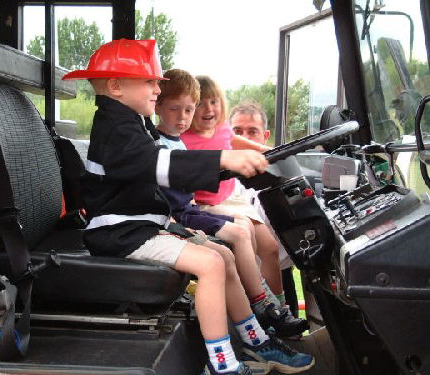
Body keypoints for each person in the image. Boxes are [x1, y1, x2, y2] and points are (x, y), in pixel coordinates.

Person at [62, 40, 314, 375]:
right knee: (210, 264)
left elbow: (158, 169)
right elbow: (158, 164)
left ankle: (255, 341)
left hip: (140, 226)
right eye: (150, 81)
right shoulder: (116, 129)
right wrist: (223, 158)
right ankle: (223, 365)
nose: (157, 88)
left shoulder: (130, 122)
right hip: (120, 233)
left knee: (223, 256)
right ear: (115, 85)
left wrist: (222, 169)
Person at [155, 69, 308, 337]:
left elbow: (238, 144)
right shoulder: (162, 146)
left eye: (188, 109)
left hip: (198, 206)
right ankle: (262, 305)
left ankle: (270, 306)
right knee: (237, 237)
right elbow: (175, 192)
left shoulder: (178, 141)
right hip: (186, 213)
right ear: (157, 106)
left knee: (251, 235)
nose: (183, 116)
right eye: (176, 109)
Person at [180, 76, 285, 306]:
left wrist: (273, 152)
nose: (208, 109)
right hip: (205, 202)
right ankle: (259, 301)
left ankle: (279, 302)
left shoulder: (222, 130)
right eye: (200, 104)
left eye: (214, 102)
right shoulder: (184, 140)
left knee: (270, 247)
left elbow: (237, 142)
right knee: (246, 238)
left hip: (231, 197)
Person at [229, 101, 299, 319]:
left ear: (265, 136)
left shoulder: (280, 175)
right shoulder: (221, 180)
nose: (245, 139)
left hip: (279, 273)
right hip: (238, 278)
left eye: (252, 132)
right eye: (238, 132)